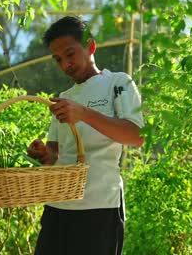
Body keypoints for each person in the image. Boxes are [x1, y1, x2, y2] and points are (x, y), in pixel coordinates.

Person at [27, 16, 145, 255]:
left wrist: (83, 113)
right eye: (58, 59)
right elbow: (55, 154)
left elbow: (137, 136)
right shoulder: (64, 96)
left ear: (90, 45)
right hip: (57, 207)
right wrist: (43, 153)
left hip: (99, 208)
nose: (65, 65)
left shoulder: (118, 83)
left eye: (70, 54)